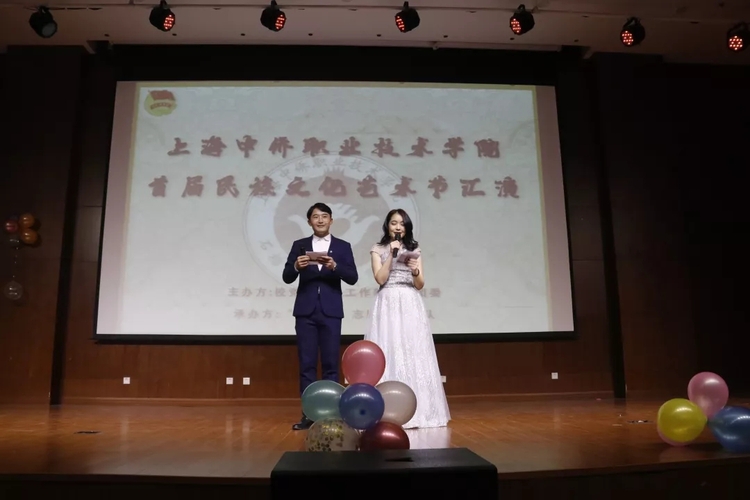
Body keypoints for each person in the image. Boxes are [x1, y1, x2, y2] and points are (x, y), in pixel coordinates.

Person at [364, 209, 450, 429]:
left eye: (402, 224)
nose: (398, 227)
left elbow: (420, 284)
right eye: (394, 223)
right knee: (388, 347)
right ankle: (386, 410)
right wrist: (391, 256)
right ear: (387, 225)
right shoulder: (378, 249)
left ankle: (420, 411)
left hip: (410, 302)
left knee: (413, 348)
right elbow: (380, 278)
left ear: (407, 227)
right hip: (388, 300)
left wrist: (415, 271)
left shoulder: (414, 249)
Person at [282, 202, 359, 430]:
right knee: (306, 364)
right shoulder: (300, 245)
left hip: (331, 312)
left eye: (324, 216)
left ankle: (331, 413)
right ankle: (308, 414)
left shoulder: (342, 246)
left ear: (331, 220)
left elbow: (353, 277)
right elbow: (287, 276)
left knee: (330, 365)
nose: (320, 220)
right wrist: (296, 266)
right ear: (309, 222)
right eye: (315, 217)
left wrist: (335, 266)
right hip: (305, 312)